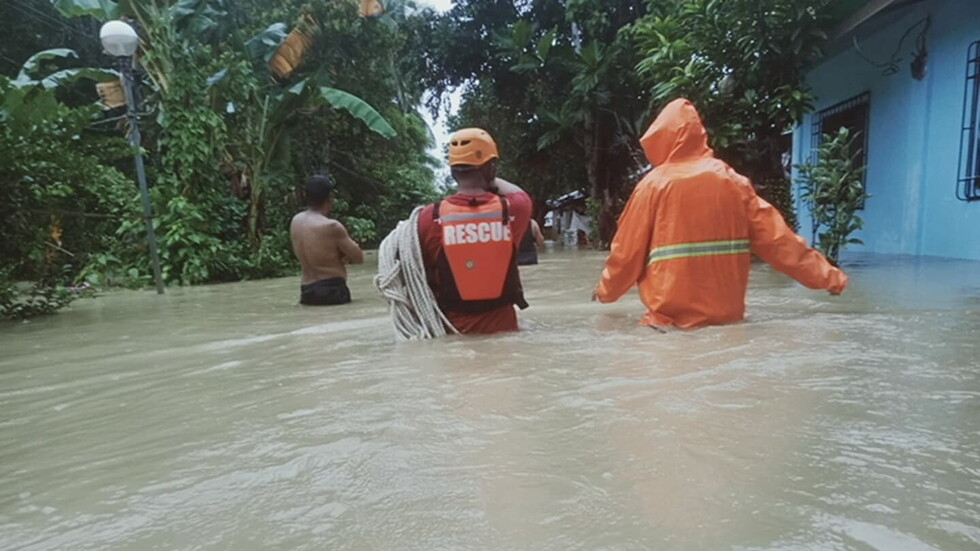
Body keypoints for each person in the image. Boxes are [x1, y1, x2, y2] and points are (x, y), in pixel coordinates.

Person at [593, 98, 848, 329]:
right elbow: (780, 243)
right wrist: (829, 278)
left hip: (667, 327)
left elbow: (626, 255)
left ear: (661, 139)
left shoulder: (652, 186)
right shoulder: (733, 182)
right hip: (729, 323)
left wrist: (605, 292)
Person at [417, 128, 533, 334]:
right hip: (504, 331)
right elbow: (519, 193)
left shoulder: (429, 217)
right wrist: (489, 179)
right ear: (490, 168)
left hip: (452, 331)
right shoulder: (513, 209)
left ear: (453, 171)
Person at [290, 174, 364, 306]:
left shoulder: (296, 222)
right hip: (332, 290)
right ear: (329, 198)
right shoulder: (331, 226)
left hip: (307, 291)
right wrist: (346, 255)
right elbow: (358, 258)